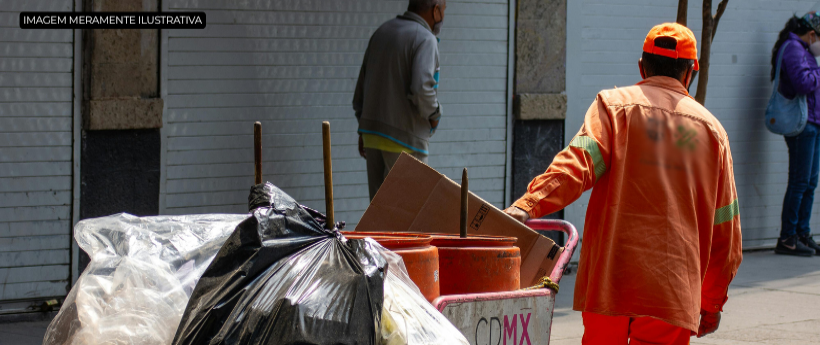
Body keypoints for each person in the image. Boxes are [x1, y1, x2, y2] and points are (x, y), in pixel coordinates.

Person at [503, 23, 743, 344]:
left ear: (642, 66)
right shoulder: (713, 133)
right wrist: (711, 305)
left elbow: (577, 165)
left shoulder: (614, 108)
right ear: (689, 73)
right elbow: (725, 235)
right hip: (671, 294)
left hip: (609, 286)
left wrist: (527, 206)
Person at [353, 0, 446, 200]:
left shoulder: (382, 32)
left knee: (378, 218)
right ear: (436, 10)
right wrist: (435, 115)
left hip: (372, 136)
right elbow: (422, 88)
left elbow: (362, 87)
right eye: (444, 9)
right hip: (405, 142)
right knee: (406, 217)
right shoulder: (425, 39)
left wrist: (363, 127)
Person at [771, 13, 820, 256]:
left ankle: (802, 233)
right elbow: (803, 84)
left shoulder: (804, 51)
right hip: (802, 126)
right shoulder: (793, 48)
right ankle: (788, 237)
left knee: (810, 182)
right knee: (799, 182)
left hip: (813, 123)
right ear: (812, 34)